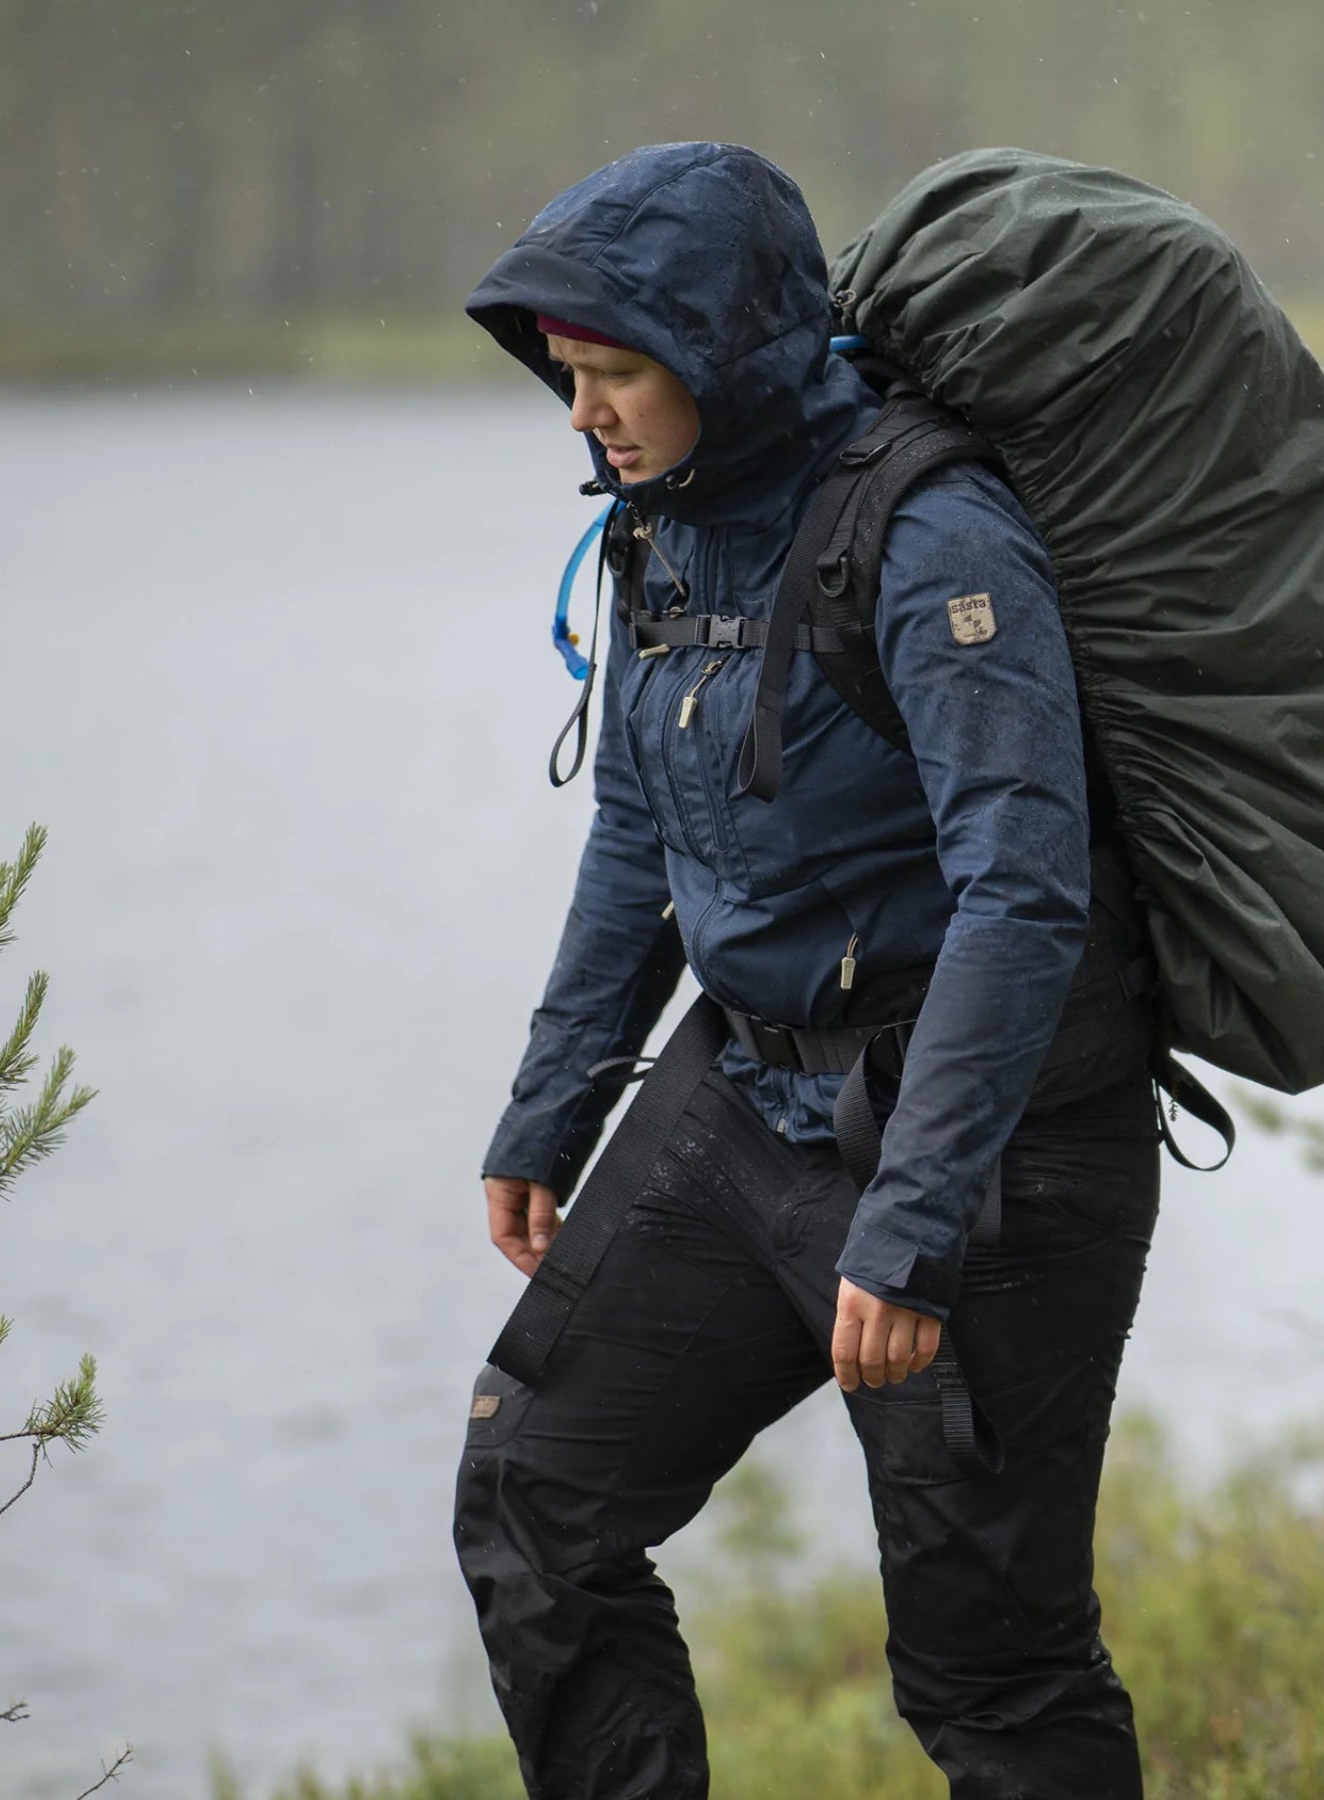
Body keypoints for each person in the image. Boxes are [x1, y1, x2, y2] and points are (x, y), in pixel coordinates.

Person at [455, 141, 1160, 1800]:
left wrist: (910, 1234)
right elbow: (638, 832)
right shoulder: (663, 527)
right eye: (570, 378)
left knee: (994, 1673)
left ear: (721, 353)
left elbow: (1023, 894)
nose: (584, 415)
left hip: (985, 1144)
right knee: (534, 1504)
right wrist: (545, 1111)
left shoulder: (937, 537)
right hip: (749, 1094)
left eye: (616, 373)